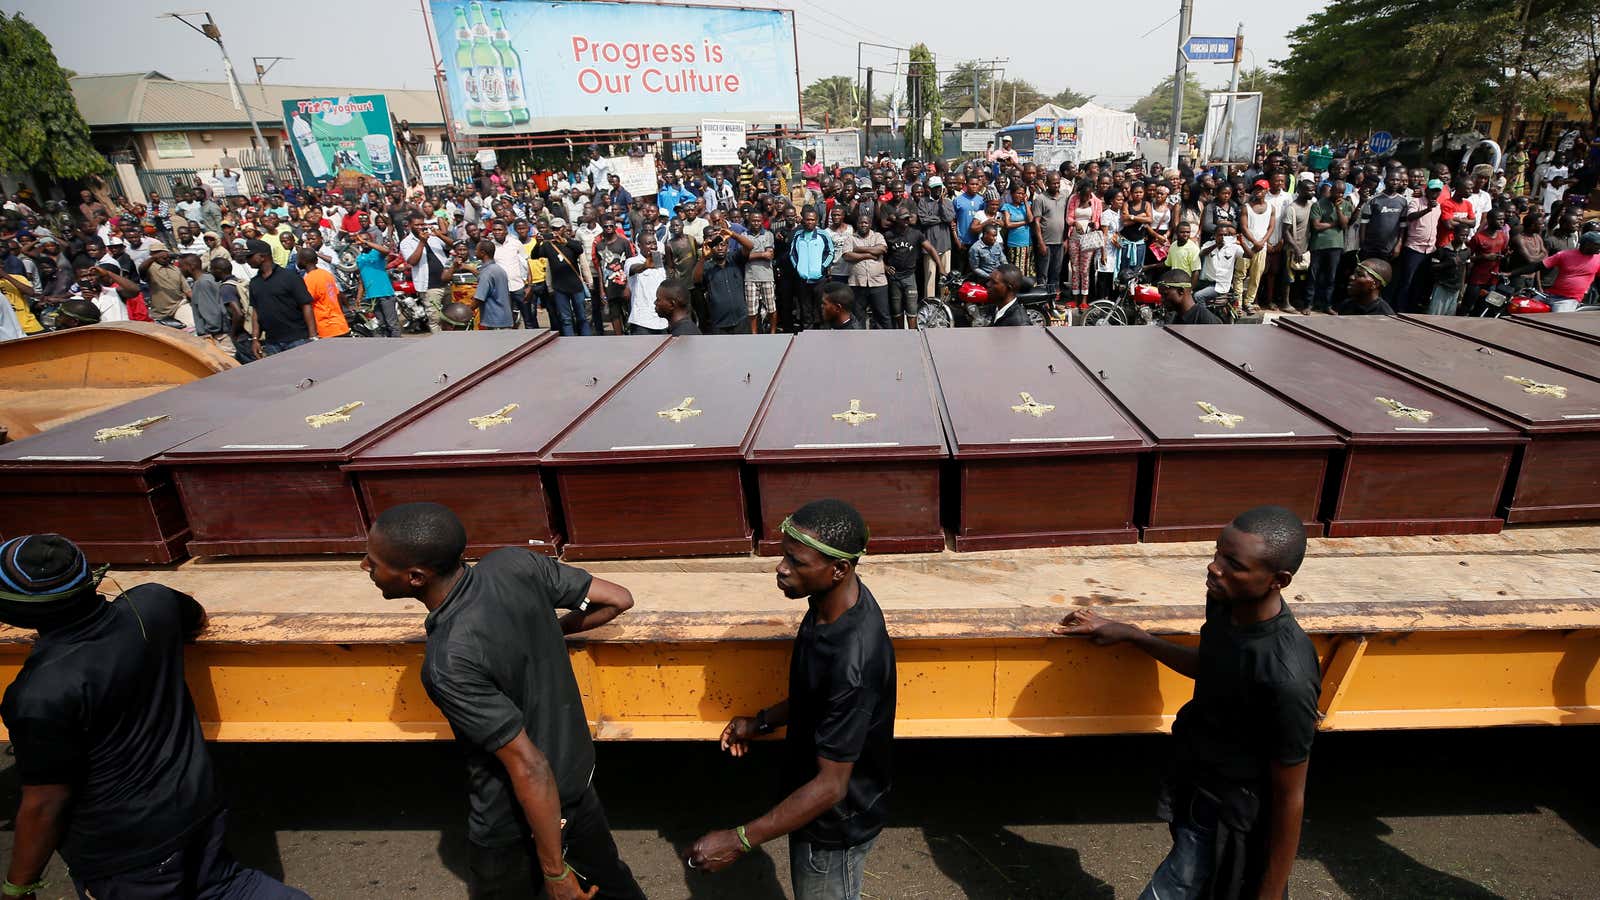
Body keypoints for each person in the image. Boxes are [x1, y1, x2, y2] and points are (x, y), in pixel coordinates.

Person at [0, 533, 311, 900]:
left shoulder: (38, 693)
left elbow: (45, 803)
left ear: (16, 612)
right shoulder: (151, 605)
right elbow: (193, 615)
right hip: (197, 812)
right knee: (225, 886)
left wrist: (17, 886)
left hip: (128, 853)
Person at [362, 503, 643, 899]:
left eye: (373, 562)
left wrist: (556, 873)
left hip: (510, 822)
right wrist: (547, 630)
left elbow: (530, 768)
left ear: (415, 578)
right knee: (614, 887)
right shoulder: (515, 564)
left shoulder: (448, 661)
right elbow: (617, 599)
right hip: (578, 790)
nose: (364, 567)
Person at [1055, 507, 1318, 900]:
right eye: (1216, 554)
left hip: (1228, 811)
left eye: (1233, 564)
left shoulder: (1286, 676)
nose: (1214, 569)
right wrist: (1135, 636)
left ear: (1277, 581)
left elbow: (1289, 797)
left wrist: (1270, 894)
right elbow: (1212, 667)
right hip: (1194, 776)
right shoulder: (1228, 603)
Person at [686, 500, 895, 900]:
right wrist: (762, 721)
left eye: (796, 562)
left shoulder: (854, 662)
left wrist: (740, 839)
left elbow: (832, 787)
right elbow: (816, 695)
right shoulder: (826, 604)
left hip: (833, 828)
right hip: (814, 810)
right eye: (784, 556)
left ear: (839, 570)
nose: (781, 568)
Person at [245, 238, 319, 356]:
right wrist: (255, 339)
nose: (247, 260)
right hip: (272, 343)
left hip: (297, 339)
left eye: (250, 257)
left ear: (262, 256)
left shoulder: (289, 277)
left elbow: (306, 305)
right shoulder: (254, 283)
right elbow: (256, 312)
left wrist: (313, 336)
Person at [1504, 230, 1600, 312]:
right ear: (1586, 244)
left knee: (1556, 322)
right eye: (1597, 245)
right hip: (1548, 295)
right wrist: (1511, 273)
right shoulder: (1564, 255)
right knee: (1522, 308)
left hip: (1569, 300)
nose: (1599, 247)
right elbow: (1538, 266)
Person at [730, 206, 777, 333]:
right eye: (753, 220)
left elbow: (770, 255)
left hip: (767, 276)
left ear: (762, 221)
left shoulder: (768, 234)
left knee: (771, 308)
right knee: (752, 311)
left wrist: (752, 255)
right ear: (749, 221)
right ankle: (754, 334)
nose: (756, 223)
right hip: (750, 277)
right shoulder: (744, 235)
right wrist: (761, 254)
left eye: (758, 220)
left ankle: (773, 333)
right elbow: (744, 256)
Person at [400, 213, 451, 332]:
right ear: (410, 225)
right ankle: (439, 345)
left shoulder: (433, 236)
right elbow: (412, 261)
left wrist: (439, 235)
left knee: (450, 316)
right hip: (429, 286)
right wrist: (422, 242)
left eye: (422, 224)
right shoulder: (406, 242)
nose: (420, 227)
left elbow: (453, 245)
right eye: (417, 225)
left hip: (446, 282)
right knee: (435, 318)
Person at [693, 226, 747, 334]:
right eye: (716, 245)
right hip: (719, 323)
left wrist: (733, 234)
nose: (720, 248)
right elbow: (696, 279)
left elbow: (749, 246)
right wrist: (703, 258)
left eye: (723, 244)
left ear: (727, 246)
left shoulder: (734, 259)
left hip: (741, 320)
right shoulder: (707, 266)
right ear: (710, 248)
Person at [788, 206, 835, 330]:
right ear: (803, 220)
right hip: (803, 280)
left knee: (821, 308)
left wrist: (822, 268)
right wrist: (798, 268)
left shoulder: (823, 234)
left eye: (812, 220)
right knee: (805, 309)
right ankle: (807, 335)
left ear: (816, 220)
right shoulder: (798, 235)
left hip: (819, 279)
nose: (810, 222)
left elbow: (830, 252)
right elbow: (792, 253)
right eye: (807, 219)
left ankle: (823, 334)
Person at [352, 232, 400, 337]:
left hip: (385, 293)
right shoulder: (359, 258)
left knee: (392, 323)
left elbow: (387, 251)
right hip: (372, 296)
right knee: (381, 324)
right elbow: (361, 280)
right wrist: (358, 298)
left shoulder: (376, 253)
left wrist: (366, 242)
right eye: (361, 240)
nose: (363, 242)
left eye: (366, 239)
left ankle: (399, 344)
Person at [297, 247, 350, 339]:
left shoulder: (309, 279)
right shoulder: (326, 274)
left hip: (326, 328)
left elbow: (306, 304)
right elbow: (338, 296)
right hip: (340, 324)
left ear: (303, 261)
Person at [622, 236, 670, 335]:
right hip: (642, 321)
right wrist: (645, 266)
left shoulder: (658, 261)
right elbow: (634, 269)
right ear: (639, 246)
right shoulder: (631, 261)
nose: (653, 246)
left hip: (661, 320)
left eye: (654, 243)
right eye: (649, 243)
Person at [1196, 223, 1245, 310]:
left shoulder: (1233, 247)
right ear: (1214, 235)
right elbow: (1202, 254)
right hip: (1205, 282)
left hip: (1220, 285)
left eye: (1225, 235)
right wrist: (1216, 245)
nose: (1223, 237)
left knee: (1198, 296)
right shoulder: (1209, 244)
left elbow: (1249, 255)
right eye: (1220, 235)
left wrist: (1242, 242)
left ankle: (1204, 319)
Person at [1427, 222, 1472, 316]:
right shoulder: (1442, 250)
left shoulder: (1466, 251)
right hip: (1442, 286)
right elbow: (1433, 267)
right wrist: (1450, 263)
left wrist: (1461, 288)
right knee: (1435, 314)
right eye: (1462, 235)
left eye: (1466, 235)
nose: (1464, 237)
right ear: (1454, 234)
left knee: (1449, 316)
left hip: (1455, 289)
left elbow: (1464, 269)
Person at [474, 239, 515, 329]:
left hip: (494, 321)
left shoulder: (487, 273)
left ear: (482, 252)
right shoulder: (499, 269)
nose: (474, 252)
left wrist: (468, 311)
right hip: (505, 318)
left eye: (476, 250)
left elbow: (480, 298)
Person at [1158, 268, 1223, 324]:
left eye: (1165, 295)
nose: (1162, 300)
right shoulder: (1173, 318)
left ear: (1181, 291)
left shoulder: (1207, 321)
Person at [986, 262, 1032, 327]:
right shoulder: (995, 308)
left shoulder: (1019, 324)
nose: (988, 284)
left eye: (994, 282)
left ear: (1009, 288)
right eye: (989, 280)